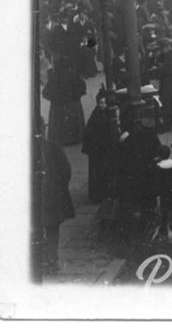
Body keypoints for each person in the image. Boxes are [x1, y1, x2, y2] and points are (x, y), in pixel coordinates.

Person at [40, 120, 75, 274]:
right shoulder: (53, 147)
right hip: (52, 197)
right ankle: (52, 259)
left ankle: (41, 259)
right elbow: (66, 171)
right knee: (52, 229)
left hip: (37, 198)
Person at [81, 89, 120, 204]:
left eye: (104, 103)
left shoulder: (104, 114)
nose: (103, 105)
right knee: (99, 173)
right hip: (98, 150)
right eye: (101, 103)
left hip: (101, 149)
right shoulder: (96, 117)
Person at [151, 144, 172, 243]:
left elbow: (156, 178)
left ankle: (164, 223)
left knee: (164, 205)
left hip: (164, 189)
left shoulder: (158, 166)